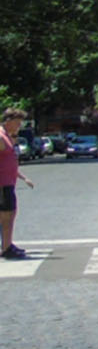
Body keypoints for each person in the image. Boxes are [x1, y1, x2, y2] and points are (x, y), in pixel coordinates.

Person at [1, 108, 36, 260]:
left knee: (10, 214)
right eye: (17, 123)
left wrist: (23, 178)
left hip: (8, 182)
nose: (19, 126)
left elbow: (9, 163)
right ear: (8, 121)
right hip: (2, 184)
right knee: (6, 216)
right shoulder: (1, 137)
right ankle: (7, 247)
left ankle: (7, 245)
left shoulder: (8, 136)